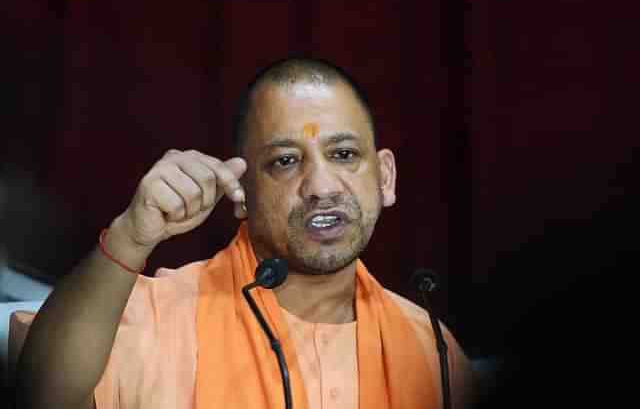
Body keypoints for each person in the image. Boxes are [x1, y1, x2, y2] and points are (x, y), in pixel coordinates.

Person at [14, 57, 476, 409]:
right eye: (285, 161)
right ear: (242, 194)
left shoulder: (428, 344)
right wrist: (129, 240)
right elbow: (38, 395)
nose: (320, 187)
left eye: (343, 154)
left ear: (385, 178)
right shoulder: (158, 316)